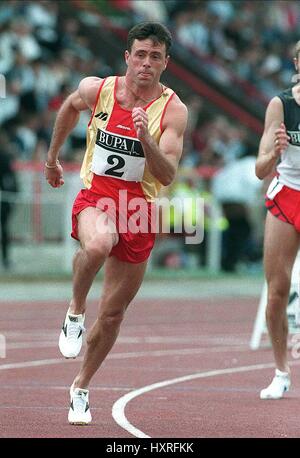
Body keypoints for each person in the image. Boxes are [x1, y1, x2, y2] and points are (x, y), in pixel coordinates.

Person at [44, 22, 187, 424]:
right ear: (127, 57)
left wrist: (146, 139)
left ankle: (81, 388)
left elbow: (168, 174)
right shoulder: (99, 88)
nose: (145, 63)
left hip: (140, 209)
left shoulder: (173, 110)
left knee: (112, 314)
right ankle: (74, 311)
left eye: (154, 57)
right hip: (97, 195)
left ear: (165, 64)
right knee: (97, 243)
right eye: (139, 54)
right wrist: (52, 159)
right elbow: (70, 107)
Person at [255, 40, 300, 400]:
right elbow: (260, 169)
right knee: (276, 293)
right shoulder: (280, 105)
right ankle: (281, 371)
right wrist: (275, 151)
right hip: (287, 195)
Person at [0, 132, 18, 270]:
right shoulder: (6, 156)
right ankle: (6, 260)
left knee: (4, 229)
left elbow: (11, 180)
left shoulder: (5, 157)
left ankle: (6, 259)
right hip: (5, 198)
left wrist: (12, 198)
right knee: (4, 229)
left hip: (4, 199)